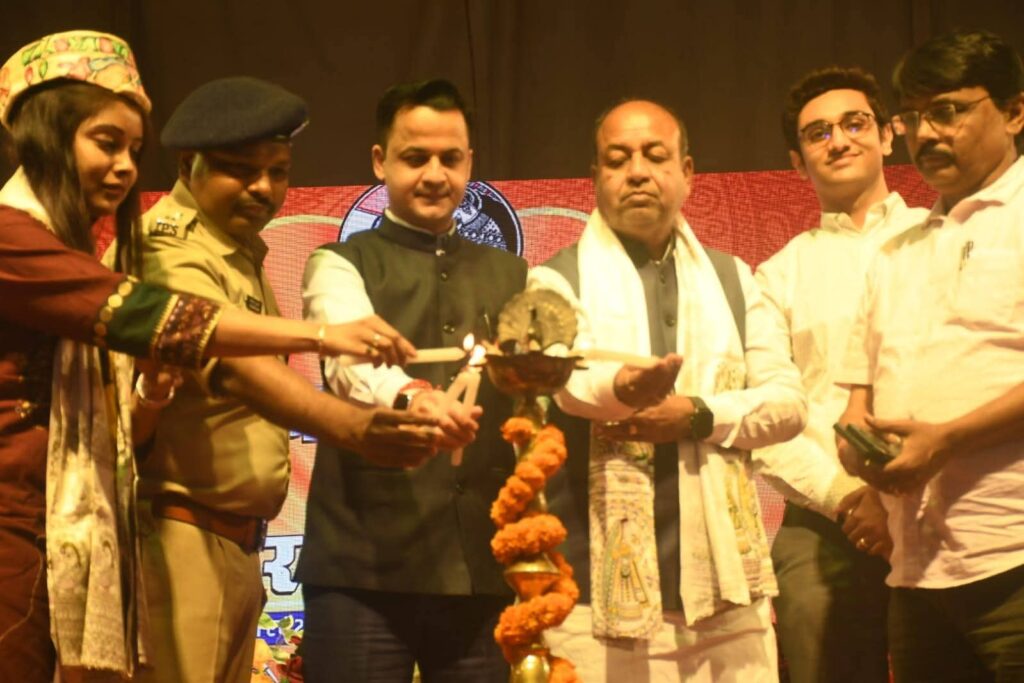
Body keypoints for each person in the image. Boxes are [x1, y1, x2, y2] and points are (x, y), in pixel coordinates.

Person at [0, 32, 436, 683]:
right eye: (105, 142)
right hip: (22, 526)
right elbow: (158, 320)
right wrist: (321, 342)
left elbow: (125, 420)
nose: (124, 167)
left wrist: (148, 394)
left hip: (67, 528)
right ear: (47, 136)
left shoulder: (75, 243)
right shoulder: (13, 237)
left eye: (131, 149)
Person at [130, 76, 442, 683]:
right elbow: (233, 366)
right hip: (180, 535)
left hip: (235, 542)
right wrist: (355, 425)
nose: (264, 188)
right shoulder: (165, 248)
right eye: (241, 170)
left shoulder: (237, 247)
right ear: (186, 163)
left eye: (278, 170)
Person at [528, 99, 807, 682]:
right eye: (617, 158)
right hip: (595, 599)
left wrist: (698, 415)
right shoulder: (555, 277)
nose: (636, 171)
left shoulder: (733, 279)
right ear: (595, 177)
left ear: (687, 172)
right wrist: (624, 387)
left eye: (655, 156)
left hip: (730, 600)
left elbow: (787, 404)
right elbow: (567, 382)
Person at [296, 78, 527, 682]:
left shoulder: (515, 274)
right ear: (380, 161)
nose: (434, 174)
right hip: (360, 570)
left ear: (470, 162)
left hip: (482, 569)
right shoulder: (339, 262)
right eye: (414, 157)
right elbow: (350, 361)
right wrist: (413, 396)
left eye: (451, 159)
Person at [835, 29, 1024, 682]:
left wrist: (947, 439)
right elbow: (857, 395)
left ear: (1015, 111)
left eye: (948, 110)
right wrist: (857, 446)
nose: (926, 133)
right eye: (913, 116)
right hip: (915, 570)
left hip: (1014, 557)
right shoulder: (896, 248)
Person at [752, 66, 929, 682]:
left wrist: (898, 495)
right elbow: (769, 413)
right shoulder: (776, 276)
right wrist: (852, 499)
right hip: (831, 520)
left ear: (887, 135)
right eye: (818, 132)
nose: (839, 140)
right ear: (798, 161)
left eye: (855, 124)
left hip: (946, 500)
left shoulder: (943, 238)